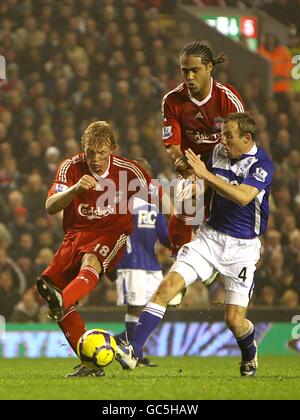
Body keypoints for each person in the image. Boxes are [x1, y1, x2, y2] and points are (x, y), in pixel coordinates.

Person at [116, 113, 274, 377]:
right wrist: (195, 186)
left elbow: (243, 197)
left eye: (228, 136)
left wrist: (205, 176)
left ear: (246, 138)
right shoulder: (217, 153)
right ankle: (133, 350)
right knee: (166, 288)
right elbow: (201, 182)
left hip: (242, 248)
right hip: (209, 238)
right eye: (221, 135)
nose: (222, 141)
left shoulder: (262, 164)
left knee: (234, 321)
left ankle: (249, 351)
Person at [36, 121, 169, 378]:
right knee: (46, 286)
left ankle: (62, 301)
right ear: (83, 149)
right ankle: (91, 362)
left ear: (113, 149)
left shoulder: (129, 170)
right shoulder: (70, 167)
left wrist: (180, 230)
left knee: (89, 263)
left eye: (101, 153)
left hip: (111, 232)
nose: (95, 159)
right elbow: (51, 206)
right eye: (90, 152)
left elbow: (161, 195)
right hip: (75, 234)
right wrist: (75, 189)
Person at [163, 41, 245, 257]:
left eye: (195, 71)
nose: (189, 77)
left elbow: (240, 146)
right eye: (185, 71)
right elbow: (172, 146)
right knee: (186, 197)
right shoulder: (172, 100)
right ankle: (178, 258)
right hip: (192, 161)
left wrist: (213, 175)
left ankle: (217, 252)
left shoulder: (228, 99)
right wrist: (183, 164)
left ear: (209, 68)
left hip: (226, 161)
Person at [115, 158, 171, 368]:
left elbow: (166, 237)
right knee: (136, 308)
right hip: (130, 263)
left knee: (153, 308)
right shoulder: (120, 204)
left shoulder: (153, 208)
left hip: (152, 265)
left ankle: (118, 344)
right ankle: (132, 352)